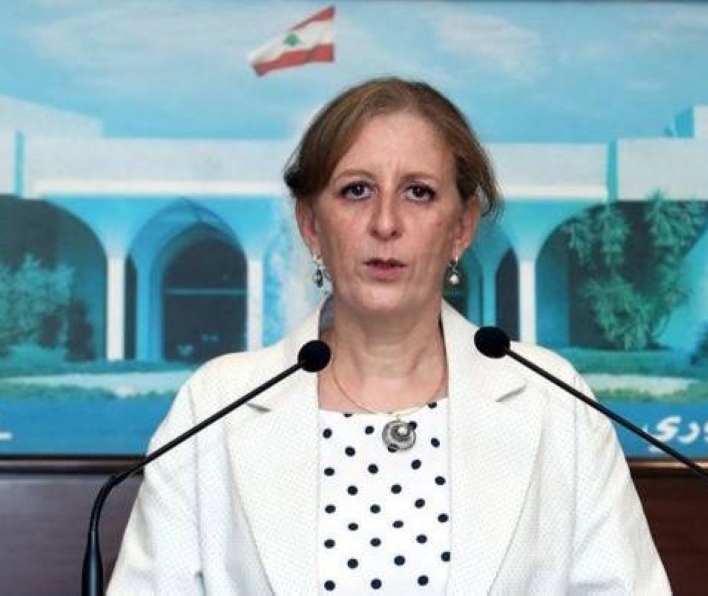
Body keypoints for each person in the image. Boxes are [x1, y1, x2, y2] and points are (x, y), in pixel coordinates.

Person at [108, 77, 670, 595]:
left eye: (418, 192)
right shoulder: (216, 405)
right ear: (310, 224)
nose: (385, 223)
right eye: (356, 190)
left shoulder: (552, 401)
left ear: (462, 226)